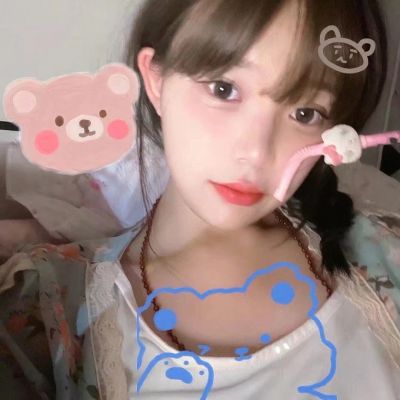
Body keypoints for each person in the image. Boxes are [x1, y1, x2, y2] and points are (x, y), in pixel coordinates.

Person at [0, 0, 400, 399]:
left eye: (306, 113)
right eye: (224, 89)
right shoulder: (45, 310)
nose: (255, 154)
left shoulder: (387, 253)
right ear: (157, 81)